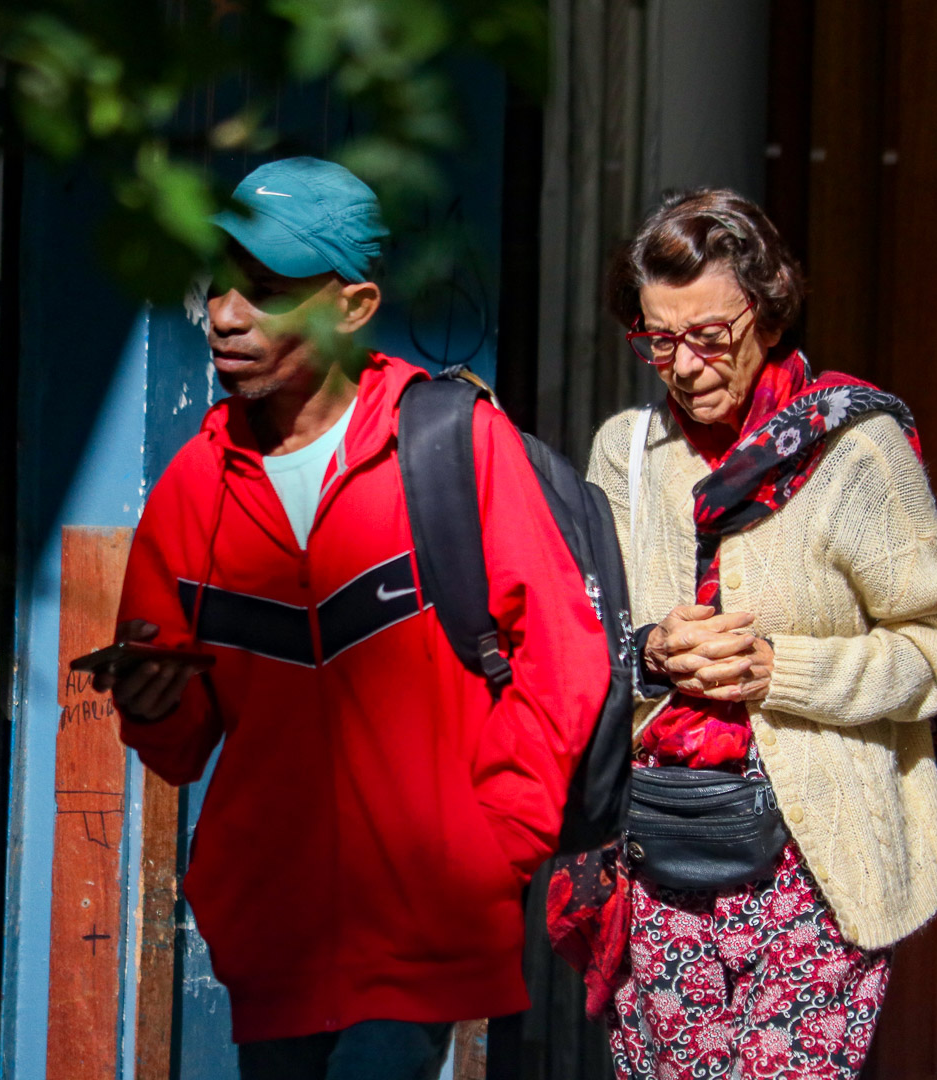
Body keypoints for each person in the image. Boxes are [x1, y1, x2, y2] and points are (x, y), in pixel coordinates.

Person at [96, 156, 610, 1080]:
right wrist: (149, 702)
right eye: (219, 284)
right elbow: (179, 745)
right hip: (271, 943)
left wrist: (494, 844)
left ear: (356, 305)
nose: (223, 313)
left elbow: (565, 664)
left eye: (265, 290)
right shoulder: (190, 492)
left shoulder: (457, 445)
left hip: (430, 927)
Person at [557, 188, 937, 1079]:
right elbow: (577, 648)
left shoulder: (853, 451)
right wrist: (650, 655)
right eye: (657, 339)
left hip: (816, 865)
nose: (684, 364)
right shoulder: (625, 454)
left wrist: (777, 670)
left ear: (770, 310)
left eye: (710, 335)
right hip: (659, 853)